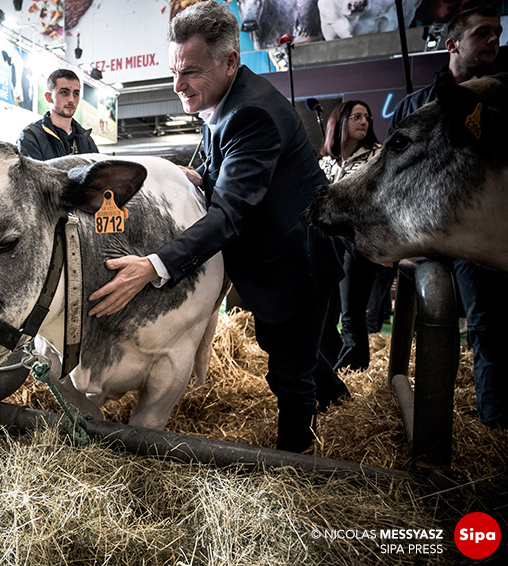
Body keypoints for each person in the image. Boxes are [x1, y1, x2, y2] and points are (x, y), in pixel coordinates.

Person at [87, 1, 347, 453]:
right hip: (270, 256)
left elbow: (230, 215)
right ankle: (339, 400)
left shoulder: (253, 114)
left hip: (293, 262)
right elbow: (219, 170)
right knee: (288, 342)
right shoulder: (223, 103)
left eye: (190, 71)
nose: (177, 85)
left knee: (289, 368)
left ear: (230, 61)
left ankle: (298, 463)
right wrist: (195, 177)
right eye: (173, 70)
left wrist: (153, 266)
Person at [389, 5, 506, 429]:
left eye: (497, 32)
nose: (494, 39)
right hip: (432, 242)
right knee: (435, 329)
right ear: (453, 43)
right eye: (482, 33)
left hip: (486, 240)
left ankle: (493, 425)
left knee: (488, 330)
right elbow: (394, 184)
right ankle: (437, 424)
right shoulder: (418, 108)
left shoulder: (501, 100)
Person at [319, 100, 393, 372]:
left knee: (352, 315)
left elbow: (381, 202)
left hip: (358, 244)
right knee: (325, 316)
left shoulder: (377, 156)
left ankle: (354, 373)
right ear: (340, 123)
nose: (364, 122)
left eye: (367, 117)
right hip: (328, 245)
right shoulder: (326, 160)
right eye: (357, 117)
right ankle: (332, 370)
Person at [17, 68, 99, 160]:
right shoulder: (31, 137)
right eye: (64, 92)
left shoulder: (87, 141)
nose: (71, 99)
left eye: (76, 94)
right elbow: (31, 174)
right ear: (49, 97)